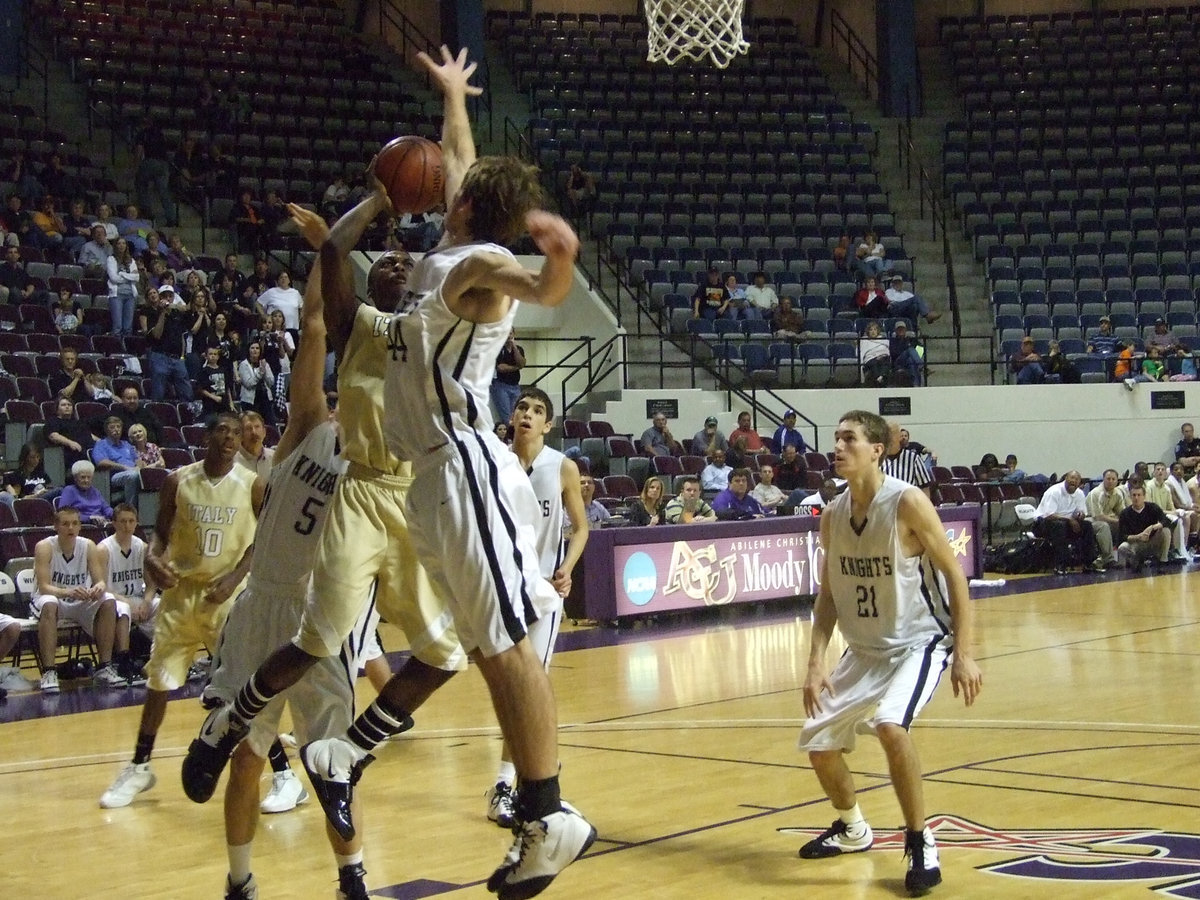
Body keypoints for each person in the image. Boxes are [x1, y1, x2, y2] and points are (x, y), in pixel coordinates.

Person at [189, 211, 383, 900]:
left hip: (322, 623)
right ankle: (240, 883)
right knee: (245, 759)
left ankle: (352, 878)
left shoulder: (385, 458)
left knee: (332, 768)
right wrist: (328, 249)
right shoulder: (308, 427)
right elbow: (318, 326)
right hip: (262, 610)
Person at [797, 410, 981, 897]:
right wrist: (815, 663)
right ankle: (853, 829)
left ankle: (920, 841)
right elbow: (829, 596)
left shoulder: (907, 503)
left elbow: (957, 580)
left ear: (877, 449)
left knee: (889, 725)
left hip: (918, 642)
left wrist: (964, 652)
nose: (837, 446)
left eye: (849, 439)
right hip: (864, 649)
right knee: (818, 742)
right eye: (835, 439)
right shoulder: (833, 514)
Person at [98, 412, 261, 809]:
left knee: (240, 690)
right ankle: (140, 766)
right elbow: (158, 536)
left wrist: (235, 576)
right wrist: (152, 561)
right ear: (206, 436)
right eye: (223, 430)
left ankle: (284, 774)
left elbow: (263, 542)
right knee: (159, 683)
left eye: (237, 433)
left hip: (227, 597)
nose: (231, 438)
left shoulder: (253, 485)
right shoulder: (178, 480)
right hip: (182, 594)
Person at [486, 387, 589, 828]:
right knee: (511, 689)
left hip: (544, 594)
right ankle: (521, 785)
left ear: (548, 425)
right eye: (522, 407)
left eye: (538, 410)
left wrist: (566, 567)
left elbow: (581, 528)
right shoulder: (495, 462)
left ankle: (510, 785)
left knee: (528, 689)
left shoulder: (561, 466)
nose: (527, 414)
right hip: (501, 590)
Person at [31, 504, 134, 694]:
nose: (70, 528)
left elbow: (100, 582)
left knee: (108, 599)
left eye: (74, 523)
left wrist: (97, 588)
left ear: (80, 526)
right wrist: (67, 592)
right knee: (49, 603)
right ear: (56, 526)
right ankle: (49, 671)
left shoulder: (88, 546)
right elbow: (44, 587)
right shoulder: (44, 547)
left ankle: (104, 666)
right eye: (65, 524)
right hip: (54, 598)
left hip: (79, 599)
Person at [97, 503, 155, 681]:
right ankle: (124, 660)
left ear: (137, 523)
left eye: (131, 521)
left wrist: (146, 602)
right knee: (123, 608)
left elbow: (151, 584)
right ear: (113, 523)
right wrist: (128, 602)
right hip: (112, 600)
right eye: (122, 521)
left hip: (137, 599)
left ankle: (161, 659)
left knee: (163, 606)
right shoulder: (103, 549)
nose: (127, 525)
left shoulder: (142, 547)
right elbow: (102, 586)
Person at [1034, 471, 1106, 575]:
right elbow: (1049, 515)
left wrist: (1080, 516)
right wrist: (1070, 520)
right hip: (1043, 524)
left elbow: (1082, 512)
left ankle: (1088, 563)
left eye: (1077, 479)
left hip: (1066, 523)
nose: (1074, 481)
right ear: (1066, 479)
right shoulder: (1054, 491)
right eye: (1072, 478)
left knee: (1087, 526)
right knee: (1059, 526)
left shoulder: (1079, 493)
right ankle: (1060, 565)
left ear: (1079, 483)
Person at [1117, 480, 1172, 572]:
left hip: (1152, 540)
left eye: (1139, 495)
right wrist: (1139, 537)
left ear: (1144, 496)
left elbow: (1166, 520)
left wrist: (1153, 527)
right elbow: (1121, 536)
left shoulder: (1152, 507)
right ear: (1130, 497)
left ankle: (1162, 561)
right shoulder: (1125, 513)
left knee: (1166, 531)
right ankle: (1136, 561)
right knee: (1122, 547)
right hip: (1135, 542)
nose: (1136, 498)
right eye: (1134, 495)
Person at [91, 415, 142, 506]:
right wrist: (124, 467)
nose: (116, 429)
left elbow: (137, 459)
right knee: (133, 475)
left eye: (118, 427)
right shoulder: (102, 444)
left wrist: (139, 466)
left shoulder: (126, 444)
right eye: (112, 427)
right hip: (115, 475)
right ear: (107, 430)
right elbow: (101, 462)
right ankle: (130, 508)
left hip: (133, 470)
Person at [1085, 469, 1126, 567]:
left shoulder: (1118, 493)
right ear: (1103, 479)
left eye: (1113, 479)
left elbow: (1123, 513)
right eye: (1108, 479)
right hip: (1090, 520)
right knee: (1103, 526)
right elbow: (1098, 517)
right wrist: (1117, 520)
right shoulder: (1095, 493)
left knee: (1124, 525)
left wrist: (1124, 521)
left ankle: (1124, 558)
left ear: (1117, 481)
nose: (1111, 481)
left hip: (1108, 519)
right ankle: (1108, 559)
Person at [880, 422, 933, 497]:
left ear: (899, 437)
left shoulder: (913, 458)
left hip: (907, 505)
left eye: (892, 434)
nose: (889, 438)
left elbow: (924, 487)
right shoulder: (876, 460)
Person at [43, 396, 96, 469]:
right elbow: (53, 436)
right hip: (71, 453)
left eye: (69, 405)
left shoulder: (78, 422)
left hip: (89, 450)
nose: (67, 407)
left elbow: (89, 435)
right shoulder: (53, 421)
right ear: (57, 409)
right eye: (63, 405)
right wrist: (70, 443)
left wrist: (102, 443)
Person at [2, 442, 57, 508]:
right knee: (59, 491)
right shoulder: (17, 475)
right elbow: (17, 500)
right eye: (32, 457)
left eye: (38, 457)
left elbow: (49, 487)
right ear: (25, 458)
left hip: (45, 502)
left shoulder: (41, 473)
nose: (36, 460)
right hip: (30, 502)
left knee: (60, 491)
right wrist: (36, 495)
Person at [58, 460, 112, 526]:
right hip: (83, 527)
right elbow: (64, 513)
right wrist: (89, 518)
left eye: (89, 477)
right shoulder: (69, 490)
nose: (86, 480)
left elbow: (106, 508)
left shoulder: (95, 491)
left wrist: (116, 515)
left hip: (101, 524)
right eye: (83, 477)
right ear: (75, 478)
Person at [106, 237, 141, 336]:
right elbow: (113, 278)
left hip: (131, 295)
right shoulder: (111, 259)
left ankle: (126, 350)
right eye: (119, 243)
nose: (121, 246)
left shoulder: (132, 261)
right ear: (115, 246)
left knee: (128, 327)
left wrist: (121, 274)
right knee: (117, 327)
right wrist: (129, 276)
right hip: (117, 295)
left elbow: (137, 277)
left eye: (123, 243)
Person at [491, 328, 525, 427]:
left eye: (510, 333)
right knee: (507, 418)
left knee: (517, 414)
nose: (508, 336)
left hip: (515, 386)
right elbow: (501, 368)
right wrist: (516, 367)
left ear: (513, 334)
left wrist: (513, 346)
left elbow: (521, 363)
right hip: (501, 385)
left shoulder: (519, 349)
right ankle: (508, 439)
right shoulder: (498, 349)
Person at [235, 410, 275, 480]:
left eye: (257, 427)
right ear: (240, 434)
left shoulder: (275, 458)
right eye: (248, 428)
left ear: (264, 432)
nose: (254, 432)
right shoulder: (232, 462)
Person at [859, 319, 892, 384]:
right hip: (870, 359)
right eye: (871, 330)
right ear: (868, 332)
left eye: (875, 329)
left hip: (883, 357)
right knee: (875, 363)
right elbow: (861, 353)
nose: (873, 332)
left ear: (877, 331)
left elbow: (887, 351)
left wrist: (881, 356)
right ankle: (880, 377)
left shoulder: (883, 340)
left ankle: (880, 378)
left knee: (885, 361)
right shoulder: (864, 341)